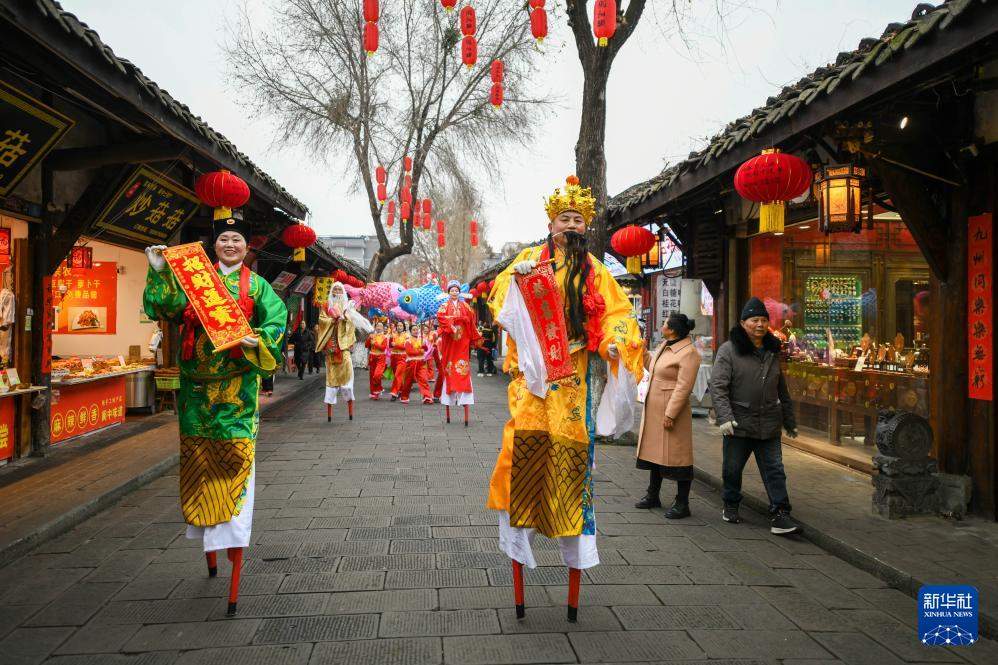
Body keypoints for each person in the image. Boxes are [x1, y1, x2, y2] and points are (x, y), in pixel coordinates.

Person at [486, 176, 643, 622]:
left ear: (585, 226)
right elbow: (500, 299)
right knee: (522, 457)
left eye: (577, 219)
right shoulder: (528, 261)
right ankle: (519, 550)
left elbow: (618, 314)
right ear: (551, 223)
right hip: (533, 383)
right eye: (564, 218)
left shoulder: (596, 270)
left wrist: (614, 342)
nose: (570, 225)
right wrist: (514, 286)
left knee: (571, 462)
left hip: (573, 381)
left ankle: (572, 552)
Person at [143, 213, 287, 616]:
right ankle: (208, 535)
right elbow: (164, 307)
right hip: (194, 390)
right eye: (223, 238)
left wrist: (254, 338)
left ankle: (233, 540)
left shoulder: (258, 287)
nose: (229, 245)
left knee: (234, 458)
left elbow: (276, 324)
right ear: (214, 245)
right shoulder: (194, 283)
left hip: (236, 392)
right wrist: (158, 273)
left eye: (236, 240)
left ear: (247, 248)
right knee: (198, 458)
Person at [709, 296, 802, 536]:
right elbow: (718, 386)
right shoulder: (729, 350)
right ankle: (730, 503)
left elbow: (781, 387)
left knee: (775, 469)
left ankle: (780, 513)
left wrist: (789, 419)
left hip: (769, 421)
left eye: (763, 320)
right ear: (743, 323)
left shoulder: (772, 350)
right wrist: (725, 417)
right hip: (738, 422)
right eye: (754, 320)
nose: (760, 324)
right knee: (732, 468)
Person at [634, 312, 701, 519]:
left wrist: (671, 413)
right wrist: (643, 351)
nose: (661, 326)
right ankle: (652, 495)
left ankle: (682, 503)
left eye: (664, 324)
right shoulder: (666, 345)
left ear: (672, 329)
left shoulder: (688, 352)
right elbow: (652, 368)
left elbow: (683, 387)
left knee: (679, 458)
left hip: (672, 412)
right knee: (656, 455)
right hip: (655, 411)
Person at [316, 281, 373, 422]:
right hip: (331, 348)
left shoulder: (348, 308)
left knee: (347, 376)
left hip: (344, 348)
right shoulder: (325, 306)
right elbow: (322, 321)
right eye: (335, 290)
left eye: (339, 290)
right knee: (330, 379)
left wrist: (344, 318)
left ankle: (349, 402)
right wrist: (333, 320)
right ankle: (329, 410)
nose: (337, 292)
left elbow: (351, 325)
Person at [437, 280, 481, 425]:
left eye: (456, 290)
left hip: (462, 341)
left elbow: (471, 319)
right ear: (448, 292)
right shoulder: (444, 306)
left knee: (462, 367)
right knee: (449, 366)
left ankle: (463, 392)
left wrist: (462, 320)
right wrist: (451, 325)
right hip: (450, 341)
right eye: (452, 290)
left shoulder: (465, 306)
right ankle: (450, 390)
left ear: (459, 292)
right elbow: (441, 318)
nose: (454, 292)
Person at [397, 323, 433, 404]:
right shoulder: (407, 341)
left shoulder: (422, 339)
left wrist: (424, 346)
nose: (416, 331)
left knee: (424, 380)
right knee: (408, 382)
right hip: (411, 363)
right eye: (413, 330)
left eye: (417, 329)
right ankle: (404, 397)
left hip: (421, 363)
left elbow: (426, 349)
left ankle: (427, 397)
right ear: (410, 331)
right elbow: (410, 352)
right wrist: (421, 350)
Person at [365, 321, 389, 399]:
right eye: (377, 326)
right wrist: (369, 338)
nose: (378, 327)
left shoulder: (385, 337)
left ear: (382, 328)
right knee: (372, 376)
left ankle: (378, 389)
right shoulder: (372, 335)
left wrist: (374, 343)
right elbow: (366, 345)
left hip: (381, 358)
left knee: (377, 375)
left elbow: (383, 348)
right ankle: (374, 393)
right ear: (375, 327)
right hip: (372, 357)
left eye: (380, 326)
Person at [389, 320, 409, 401]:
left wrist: (396, 345)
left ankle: (394, 393)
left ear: (403, 327)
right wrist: (390, 340)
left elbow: (406, 347)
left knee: (398, 374)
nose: (399, 327)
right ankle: (401, 390)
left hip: (402, 357)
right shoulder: (393, 335)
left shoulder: (407, 336)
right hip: (393, 357)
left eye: (401, 326)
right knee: (397, 375)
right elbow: (390, 346)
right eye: (398, 326)